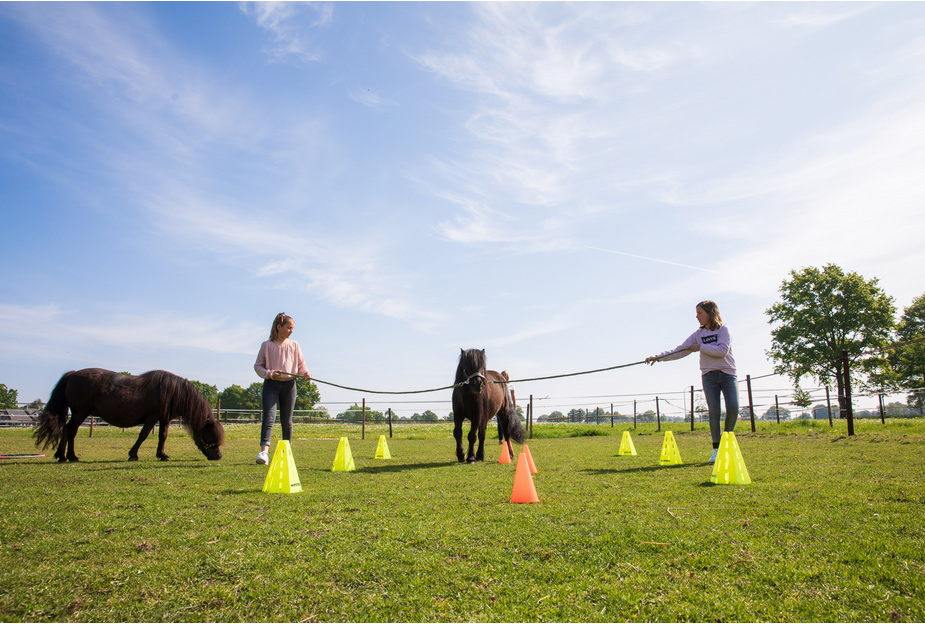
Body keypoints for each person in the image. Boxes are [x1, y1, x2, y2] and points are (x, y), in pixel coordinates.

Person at [645, 300, 738, 463]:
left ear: (711, 313)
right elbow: (679, 350)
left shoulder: (724, 330)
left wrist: (700, 347)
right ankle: (717, 449)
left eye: (700, 313)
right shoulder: (698, 335)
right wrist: (658, 357)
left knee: (733, 407)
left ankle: (727, 442)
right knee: (714, 411)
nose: (697, 317)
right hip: (709, 376)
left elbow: (722, 351)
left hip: (727, 374)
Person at [254, 312, 312, 465]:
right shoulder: (266, 345)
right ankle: (264, 453)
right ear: (278, 327)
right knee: (269, 417)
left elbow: (301, 365)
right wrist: (269, 373)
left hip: (289, 385)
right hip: (271, 385)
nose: (291, 331)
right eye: (288, 327)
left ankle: (287, 452)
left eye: (292, 328)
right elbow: (258, 366)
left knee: (287, 421)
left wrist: (305, 373)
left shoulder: (295, 345)